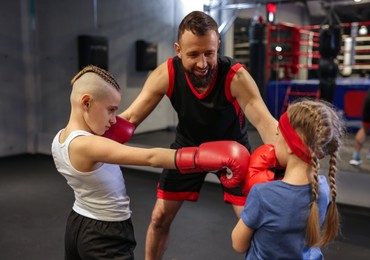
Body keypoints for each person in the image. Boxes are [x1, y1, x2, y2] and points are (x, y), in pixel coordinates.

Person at [119, 10, 278, 259]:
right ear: (178, 50)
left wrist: (296, 162)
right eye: (193, 54)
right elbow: (129, 119)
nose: (203, 64)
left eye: (209, 53)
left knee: (253, 228)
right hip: (188, 147)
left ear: (218, 47)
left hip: (233, 151)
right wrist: (89, 138)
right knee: (159, 218)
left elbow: (267, 124)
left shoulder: (236, 77)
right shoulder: (166, 73)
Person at [51, 65, 250, 259]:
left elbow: (121, 124)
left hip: (78, 221)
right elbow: (151, 157)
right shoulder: (88, 145)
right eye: (110, 110)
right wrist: (200, 157)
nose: (113, 119)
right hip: (104, 233)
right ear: (86, 103)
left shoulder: (59, 139)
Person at [232, 99, 345, 259]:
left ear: (290, 146)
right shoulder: (324, 189)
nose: (274, 140)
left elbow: (238, 244)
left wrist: (235, 187)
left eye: (278, 134)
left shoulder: (263, 194)